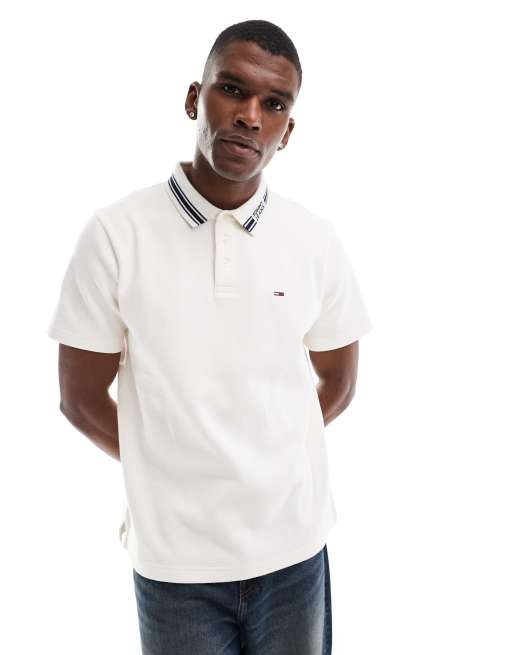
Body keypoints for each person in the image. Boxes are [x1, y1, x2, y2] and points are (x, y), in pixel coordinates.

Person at [47, 18, 372, 655]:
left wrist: (270, 460)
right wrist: (172, 466)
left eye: (273, 104)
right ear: (195, 98)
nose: (250, 116)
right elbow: (79, 399)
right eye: (233, 89)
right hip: (176, 564)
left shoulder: (313, 240)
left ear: (287, 131)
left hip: (294, 552)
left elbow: (338, 380)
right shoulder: (117, 235)